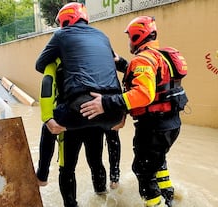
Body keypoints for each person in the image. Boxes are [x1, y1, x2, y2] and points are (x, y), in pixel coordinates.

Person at [80, 16, 188, 207]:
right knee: (158, 162)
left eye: (130, 37)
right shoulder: (160, 55)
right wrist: (120, 62)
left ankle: (155, 204)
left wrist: (105, 103)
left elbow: (144, 94)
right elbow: (152, 76)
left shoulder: (142, 60)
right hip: (171, 124)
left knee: (143, 171)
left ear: (138, 36)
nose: (129, 41)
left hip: (153, 127)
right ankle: (169, 197)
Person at [35, 2, 124, 133]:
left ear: (65, 19)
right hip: (114, 110)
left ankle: (45, 153)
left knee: (47, 126)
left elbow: (40, 64)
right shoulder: (103, 36)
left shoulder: (62, 35)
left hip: (80, 109)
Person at [36, 59, 121, 190]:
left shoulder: (54, 61)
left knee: (67, 168)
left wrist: (47, 117)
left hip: (69, 121)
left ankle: (42, 176)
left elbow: (47, 83)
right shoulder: (93, 57)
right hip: (94, 116)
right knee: (96, 161)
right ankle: (108, 185)